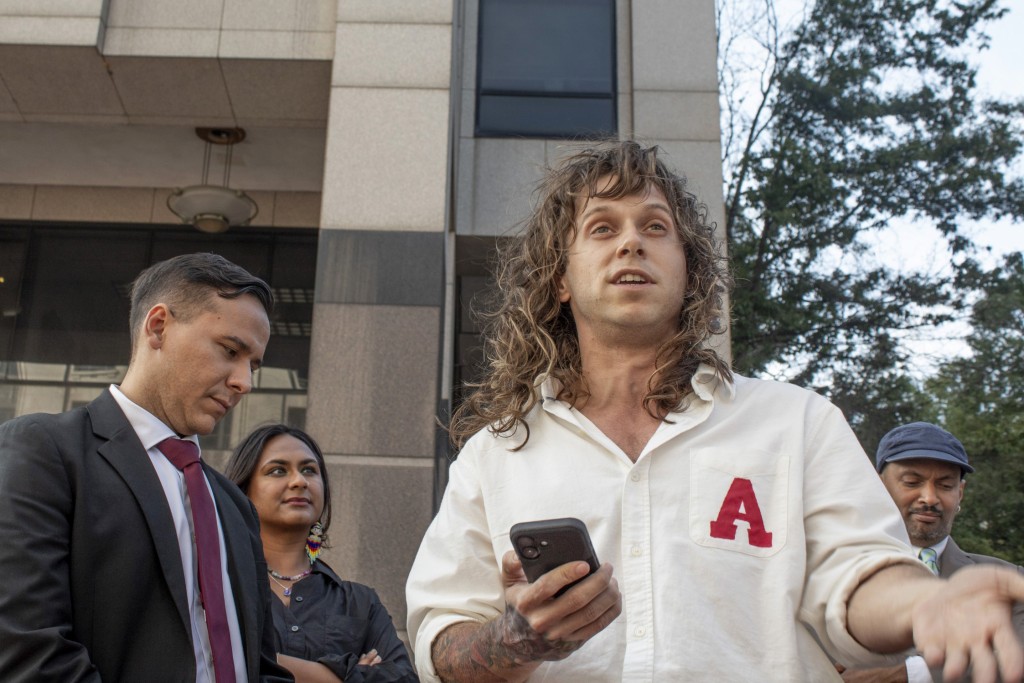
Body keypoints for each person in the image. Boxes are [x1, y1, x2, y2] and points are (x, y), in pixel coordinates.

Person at [404, 141, 1024, 682]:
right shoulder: (494, 454)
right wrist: (515, 639)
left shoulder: (797, 422)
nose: (630, 242)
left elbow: (859, 573)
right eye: (601, 228)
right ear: (560, 278)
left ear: (688, 269)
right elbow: (441, 643)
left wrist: (925, 607)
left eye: (655, 227)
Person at [0, 252, 291, 682]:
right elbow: (28, 649)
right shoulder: (45, 451)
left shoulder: (235, 505)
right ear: (158, 327)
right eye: (230, 351)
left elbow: (264, 667)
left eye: (253, 365)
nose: (244, 382)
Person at [226, 424, 418, 683]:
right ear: (243, 490)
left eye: (309, 470)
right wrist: (349, 675)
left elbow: (403, 680)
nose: (299, 481)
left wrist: (265, 662)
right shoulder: (221, 590)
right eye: (278, 470)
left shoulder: (360, 603)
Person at [838, 422, 1024, 683]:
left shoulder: (1007, 579)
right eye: (912, 482)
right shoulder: (834, 573)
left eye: (945, 486)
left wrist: (912, 673)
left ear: (960, 493)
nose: (929, 498)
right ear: (878, 487)